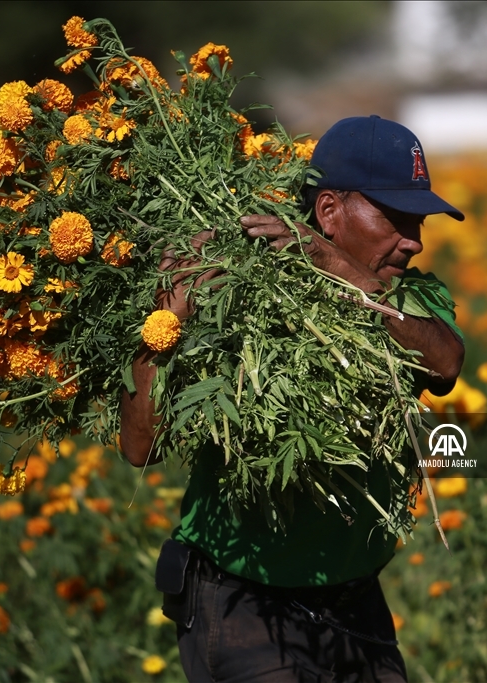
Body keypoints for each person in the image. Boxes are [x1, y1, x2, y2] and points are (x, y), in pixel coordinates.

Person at [121, 115, 465, 682]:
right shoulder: (239, 290)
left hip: (355, 604)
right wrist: (168, 317)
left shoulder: (412, 294)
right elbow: (139, 445)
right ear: (329, 210)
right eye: (397, 218)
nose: (415, 239)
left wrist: (340, 272)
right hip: (243, 605)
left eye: (419, 220)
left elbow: (443, 361)